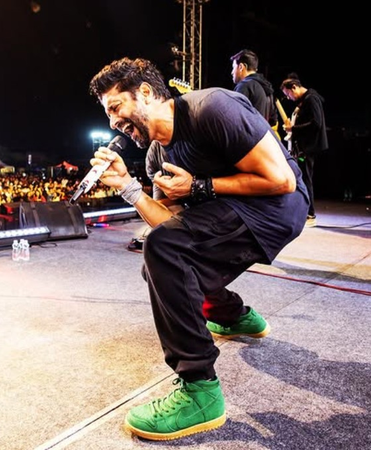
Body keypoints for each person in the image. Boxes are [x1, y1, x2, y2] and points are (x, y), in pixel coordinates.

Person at [88, 57, 309, 441]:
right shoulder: (157, 155)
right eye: (107, 114)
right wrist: (127, 187)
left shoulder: (212, 109)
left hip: (279, 207)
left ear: (144, 93)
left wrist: (198, 187)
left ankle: (199, 390)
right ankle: (230, 314)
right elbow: (167, 225)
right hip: (233, 210)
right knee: (160, 260)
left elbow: (281, 180)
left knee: (167, 251)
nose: (113, 123)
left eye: (116, 107)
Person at [280, 73, 328, 227]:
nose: (288, 98)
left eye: (288, 94)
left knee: (306, 179)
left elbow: (316, 123)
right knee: (303, 178)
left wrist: (293, 129)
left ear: (294, 87)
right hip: (304, 147)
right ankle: (304, 212)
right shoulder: (305, 100)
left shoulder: (311, 99)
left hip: (309, 147)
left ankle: (310, 214)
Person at [230, 49, 279, 137]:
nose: (232, 72)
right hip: (262, 140)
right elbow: (273, 120)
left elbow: (235, 119)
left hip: (246, 141)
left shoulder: (244, 86)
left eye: (233, 67)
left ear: (241, 67)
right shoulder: (267, 89)